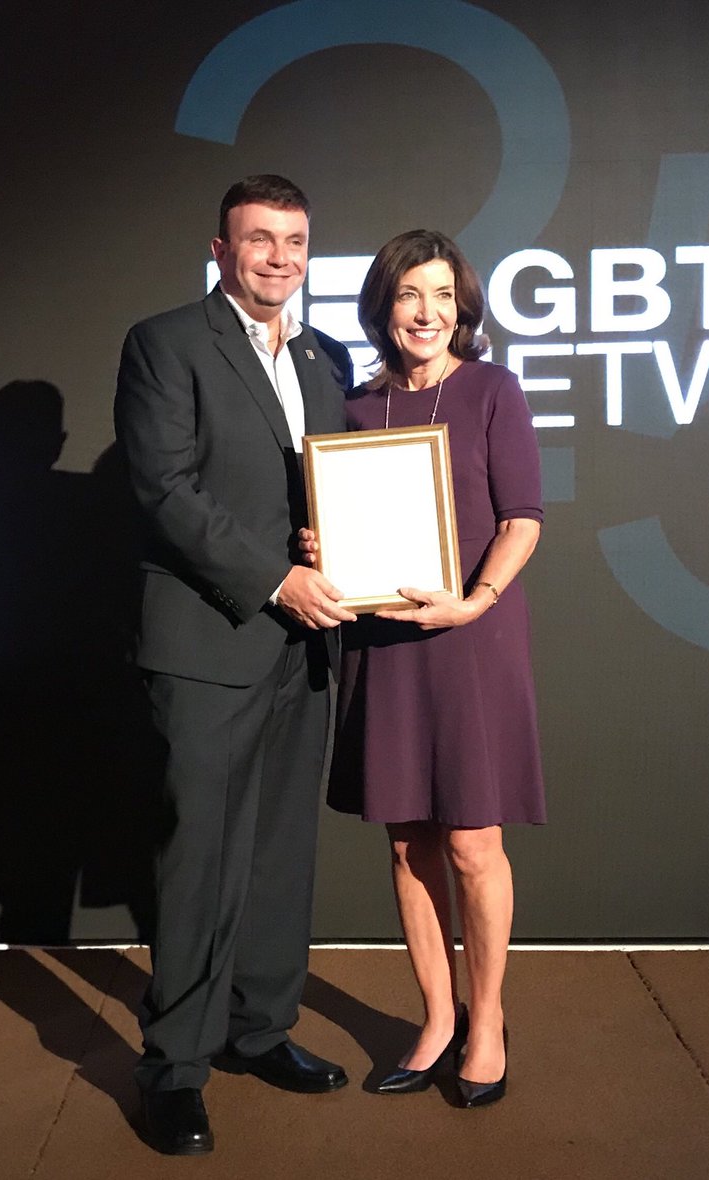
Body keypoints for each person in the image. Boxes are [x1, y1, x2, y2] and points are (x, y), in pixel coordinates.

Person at [114, 174, 357, 1155]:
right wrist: (275, 581)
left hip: (305, 646)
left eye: (294, 240)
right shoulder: (165, 343)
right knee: (201, 859)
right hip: (210, 642)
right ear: (220, 249)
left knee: (278, 852)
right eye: (259, 239)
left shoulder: (326, 355)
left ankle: (260, 1032)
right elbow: (166, 491)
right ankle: (174, 1069)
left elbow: (334, 491)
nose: (278, 257)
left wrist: (339, 553)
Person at [302, 229, 544, 1108]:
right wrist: (322, 545)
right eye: (409, 294)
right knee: (408, 843)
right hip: (385, 647)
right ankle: (438, 1019)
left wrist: (474, 601)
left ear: (463, 308)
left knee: (474, 844)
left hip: (470, 640)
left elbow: (522, 519)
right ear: (383, 307)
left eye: (443, 295)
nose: (427, 312)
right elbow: (341, 527)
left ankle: (488, 1023)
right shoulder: (357, 409)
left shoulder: (492, 390)